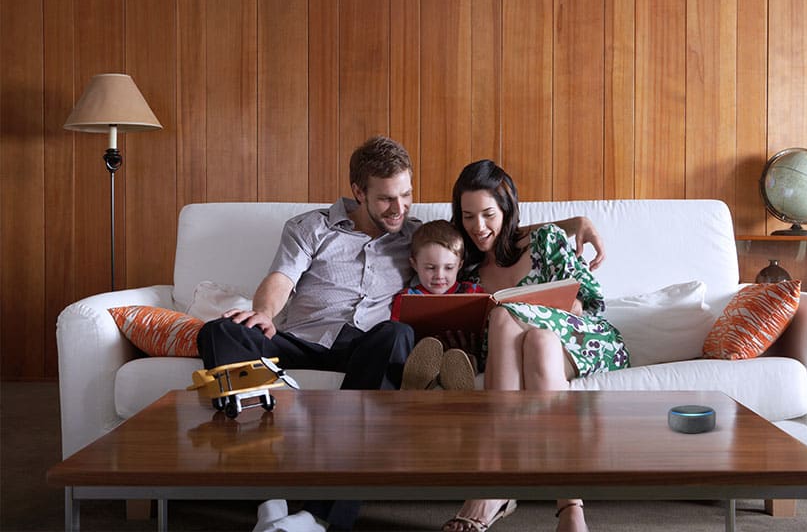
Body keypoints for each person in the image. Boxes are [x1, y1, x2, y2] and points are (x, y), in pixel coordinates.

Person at [196, 137, 605, 531]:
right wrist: (264, 313)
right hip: (300, 338)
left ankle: (317, 517)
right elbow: (281, 277)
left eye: (406, 195)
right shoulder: (310, 227)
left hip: (366, 346)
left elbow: (494, 227)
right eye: (387, 199)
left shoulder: (420, 234)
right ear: (358, 191)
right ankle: (272, 499)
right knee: (220, 332)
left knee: (397, 335)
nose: (399, 208)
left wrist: (574, 222)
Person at [441, 160, 630, 532]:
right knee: (538, 341)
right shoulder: (464, 265)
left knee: (506, 317)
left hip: (582, 340)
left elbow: (588, 303)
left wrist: (532, 308)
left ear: (507, 210)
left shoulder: (545, 240)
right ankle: (570, 508)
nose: (478, 228)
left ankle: (493, 485)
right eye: (467, 217)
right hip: (532, 347)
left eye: (488, 214)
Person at [390, 220, 484, 390]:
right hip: (420, 356)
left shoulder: (472, 292)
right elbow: (398, 338)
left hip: (464, 352)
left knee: (460, 358)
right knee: (423, 356)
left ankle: (458, 380)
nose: (439, 275)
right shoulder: (407, 298)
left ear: (460, 265)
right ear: (414, 264)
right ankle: (421, 379)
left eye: (448, 268)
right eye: (430, 268)